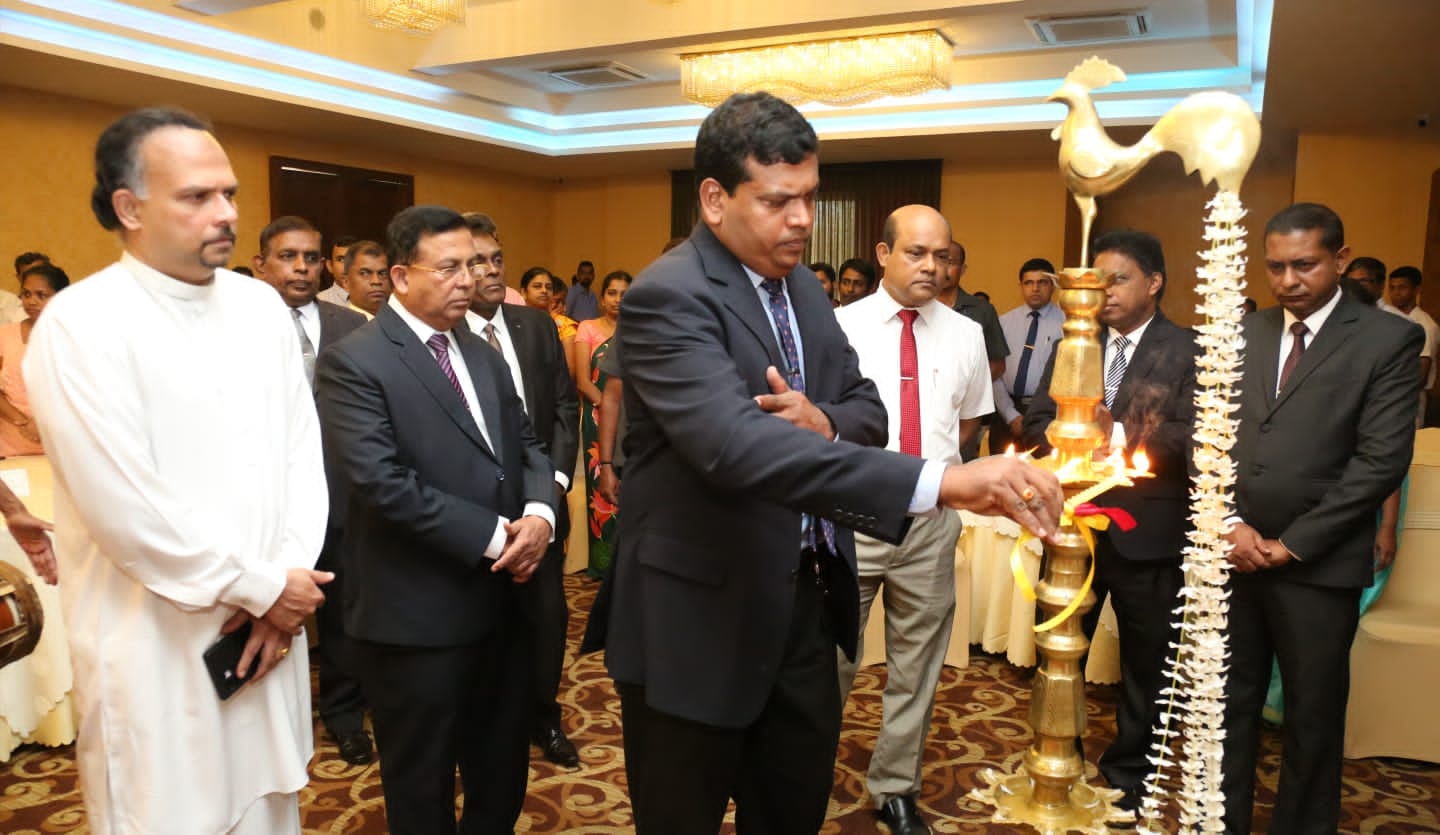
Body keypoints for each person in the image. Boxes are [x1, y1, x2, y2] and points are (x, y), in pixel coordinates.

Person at [605, 91, 1063, 835]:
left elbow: (864, 408)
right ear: (714, 198)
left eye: (811, 198)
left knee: (790, 811)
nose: (802, 221)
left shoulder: (799, 289)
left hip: (806, 607)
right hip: (697, 617)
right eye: (779, 200)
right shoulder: (669, 297)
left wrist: (822, 419)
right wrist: (943, 480)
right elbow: (735, 446)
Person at [23, 106, 331, 834]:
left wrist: (284, 583)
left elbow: (301, 457)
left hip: (267, 630)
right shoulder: (81, 324)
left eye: (228, 193)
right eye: (197, 196)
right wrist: (262, 587)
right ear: (128, 208)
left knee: (268, 810)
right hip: (154, 644)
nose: (225, 212)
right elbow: (126, 506)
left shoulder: (260, 308)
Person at [315, 205, 556, 835]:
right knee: (422, 782)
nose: (467, 280)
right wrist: (492, 536)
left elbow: (527, 444)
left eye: (472, 265)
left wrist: (538, 515)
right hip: (416, 614)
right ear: (400, 276)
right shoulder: (356, 361)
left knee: (500, 769)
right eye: (448, 267)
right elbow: (380, 482)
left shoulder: (480, 350)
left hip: (505, 600)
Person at [1220, 203, 1422, 835]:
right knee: (1227, 707)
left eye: (1304, 265)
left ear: (1338, 260)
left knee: (1312, 716)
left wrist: (1292, 544)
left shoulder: (1387, 339)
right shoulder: (1245, 333)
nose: (1287, 281)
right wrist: (1228, 524)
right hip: (1235, 552)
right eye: (1275, 266)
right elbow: (1212, 439)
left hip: (1317, 563)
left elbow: (1381, 460)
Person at [1022, 229, 1199, 813]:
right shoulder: (1078, 341)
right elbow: (1037, 415)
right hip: (1073, 526)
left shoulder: (1188, 348)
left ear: (1154, 282)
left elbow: (1199, 437)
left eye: (1118, 279)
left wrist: (1115, 433)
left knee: (1145, 665)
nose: (1104, 292)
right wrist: (1060, 434)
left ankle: (1130, 775)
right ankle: (1056, 757)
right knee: (1058, 652)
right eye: (1097, 281)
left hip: (1148, 533)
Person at [833, 205, 993, 835]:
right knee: (831, 659)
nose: (932, 266)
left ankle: (895, 785)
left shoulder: (967, 333)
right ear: (883, 253)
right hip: (849, 517)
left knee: (916, 666)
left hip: (930, 525)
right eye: (917, 253)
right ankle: (799, 768)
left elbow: (970, 425)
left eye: (942, 255)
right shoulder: (837, 327)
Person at [250, 214, 374, 766]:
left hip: (343, 494)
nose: (301, 267)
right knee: (268, 602)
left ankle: (345, 716)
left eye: (310, 257)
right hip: (266, 500)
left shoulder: (353, 325)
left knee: (344, 612)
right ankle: (269, 723)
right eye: (287, 256)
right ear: (261, 264)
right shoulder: (236, 325)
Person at [463, 220, 582, 769]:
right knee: (480, 622)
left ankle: (543, 716)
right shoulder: (445, 338)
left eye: (496, 259)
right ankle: (485, 725)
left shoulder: (537, 327)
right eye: (477, 260)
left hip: (543, 504)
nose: (489, 270)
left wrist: (553, 488)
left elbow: (563, 408)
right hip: (474, 509)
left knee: (546, 619)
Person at [573, 270, 629, 575]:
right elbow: (583, 379)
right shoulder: (588, 328)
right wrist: (607, 407)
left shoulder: (637, 330)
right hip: (598, 419)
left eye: (624, 293)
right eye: (611, 293)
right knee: (601, 488)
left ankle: (624, 562)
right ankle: (603, 563)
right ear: (602, 297)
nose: (618, 300)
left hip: (629, 420)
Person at [991, 257, 1062, 453]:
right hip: (1006, 413)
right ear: (1021, 286)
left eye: (1042, 282)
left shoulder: (1067, 325)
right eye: (1029, 283)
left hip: (1048, 416)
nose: (1035, 289)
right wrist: (1010, 414)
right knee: (1000, 478)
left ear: (1053, 285)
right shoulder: (1003, 322)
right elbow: (993, 373)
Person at [0, 263, 68, 456]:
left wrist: (42, 422)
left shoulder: (75, 338)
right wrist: (19, 419)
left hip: (61, 443)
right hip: (12, 442)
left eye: (41, 295)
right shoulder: (4, 335)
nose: (31, 301)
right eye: (26, 294)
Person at [1387, 265, 1438, 426]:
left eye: (1402, 287)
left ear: (1417, 290)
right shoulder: (1388, 319)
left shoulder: (1425, 325)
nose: (1396, 293)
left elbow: (1421, 372)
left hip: (1409, 397)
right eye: (1392, 287)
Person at [341, 239, 391, 319]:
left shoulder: (402, 323)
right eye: (364, 273)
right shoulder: (339, 327)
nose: (376, 281)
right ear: (346, 282)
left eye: (382, 273)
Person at [317, 233, 357, 305]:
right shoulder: (319, 302)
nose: (347, 266)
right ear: (330, 266)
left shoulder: (377, 300)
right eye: (341, 259)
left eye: (353, 259)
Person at [4, 254, 42, 324]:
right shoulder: (6, 305)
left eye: (39, 272)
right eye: (27, 274)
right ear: (18, 277)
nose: (34, 278)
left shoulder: (60, 304)